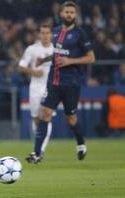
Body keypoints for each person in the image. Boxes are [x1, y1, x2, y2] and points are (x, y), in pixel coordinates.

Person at [26, 1, 95, 164]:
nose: (69, 15)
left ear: (75, 15)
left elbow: (91, 58)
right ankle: (36, 154)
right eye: (66, 12)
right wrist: (45, 58)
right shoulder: (55, 32)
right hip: (53, 83)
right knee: (45, 114)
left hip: (71, 83)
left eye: (72, 12)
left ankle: (80, 142)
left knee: (70, 118)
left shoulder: (80, 34)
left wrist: (70, 61)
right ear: (61, 14)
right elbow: (57, 54)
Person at [18, 24, 54, 159]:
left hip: (50, 88)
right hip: (35, 88)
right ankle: (38, 149)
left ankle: (39, 151)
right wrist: (33, 72)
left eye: (47, 33)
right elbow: (21, 67)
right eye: (42, 33)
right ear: (39, 34)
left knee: (46, 116)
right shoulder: (32, 49)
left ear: (51, 35)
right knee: (36, 118)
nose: (45, 36)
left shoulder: (56, 50)